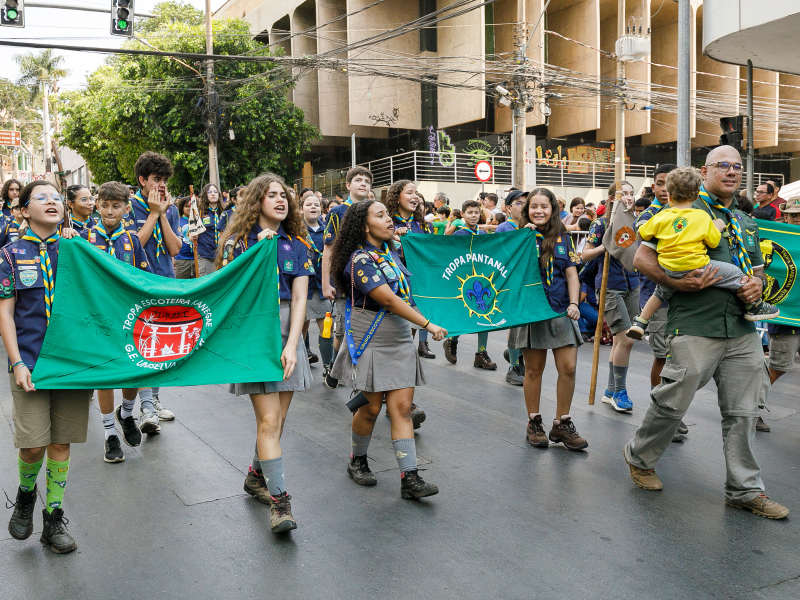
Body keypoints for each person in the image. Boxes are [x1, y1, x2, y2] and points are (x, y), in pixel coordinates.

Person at [624, 145, 789, 519]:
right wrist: (675, 282)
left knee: (744, 411)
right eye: (723, 166)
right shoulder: (681, 209)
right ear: (704, 172)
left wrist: (757, 286)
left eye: (737, 167)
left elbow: (758, 271)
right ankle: (640, 457)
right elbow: (641, 258)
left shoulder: (745, 221)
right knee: (672, 403)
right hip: (696, 323)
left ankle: (745, 489)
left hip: (742, 330)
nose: (732, 172)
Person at [329, 199, 445, 498]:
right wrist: (428, 324)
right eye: (380, 215)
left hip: (399, 337)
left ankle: (410, 478)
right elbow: (389, 300)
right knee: (370, 408)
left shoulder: (391, 253)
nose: (388, 219)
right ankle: (357, 460)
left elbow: (409, 293)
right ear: (365, 226)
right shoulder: (359, 260)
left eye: (387, 214)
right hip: (372, 338)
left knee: (403, 409)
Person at [217, 173, 312, 534]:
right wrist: (257, 252)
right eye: (271, 195)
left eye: (283, 194)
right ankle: (280, 503)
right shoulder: (237, 243)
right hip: (254, 331)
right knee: (269, 422)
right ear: (256, 201)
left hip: (287, 332)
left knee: (278, 421)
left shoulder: (298, 243)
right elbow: (228, 288)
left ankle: (256, 476)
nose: (280, 200)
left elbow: (300, 299)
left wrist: (293, 344)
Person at [2, 180, 89, 554]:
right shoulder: (9, 256)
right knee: (34, 445)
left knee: (60, 442)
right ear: (24, 211)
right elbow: (6, 313)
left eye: (56, 197)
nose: (52, 201)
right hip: (31, 364)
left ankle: (53, 517)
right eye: (41, 198)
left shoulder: (77, 250)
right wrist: (17, 362)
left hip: (71, 364)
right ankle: (26, 493)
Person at [628, 167, 778, 339]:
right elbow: (713, 241)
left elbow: (643, 233)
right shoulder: (702, 217)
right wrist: (717, 227)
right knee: (736, 273)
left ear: (669, 196)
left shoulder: (661, 216)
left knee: (660, 292)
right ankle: (754, 306)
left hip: (669, 267)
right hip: (697, 267)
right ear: (696, 195)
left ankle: (640, 322)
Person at [509, 188, 588, 450]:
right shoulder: (519, 237)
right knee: (533, 370)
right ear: (527, 210)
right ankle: (534, 422)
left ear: (553, 209)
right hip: (531, 312)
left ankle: (561, 424)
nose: (539, 211)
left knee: (569, 368)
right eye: (534, 206)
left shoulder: (564, 238)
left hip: (561, 309)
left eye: (544, 206)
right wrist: (524, 239)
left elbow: (572, 275)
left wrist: (574, 303)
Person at [82, 181, 152, 463]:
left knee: (133, 370)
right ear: (97, 206)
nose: (110, 211)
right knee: (106, 375)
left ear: (126, 208)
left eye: (116, 206)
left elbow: (143, 277)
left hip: (127, 316)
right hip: (98, 317)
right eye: (105, 205)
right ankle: (110, 433)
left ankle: (127, 412)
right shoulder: (84, 237)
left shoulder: (132, 240)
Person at [632, 163, 689, 440]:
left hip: (688, 298)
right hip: (657, 299)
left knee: (681, 359)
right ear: (653, 186)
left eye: (670, 183)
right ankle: (661, 412)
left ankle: (672, 411)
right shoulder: (649, 215)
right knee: (663, 357)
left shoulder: (691, 211)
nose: (665, 188)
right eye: (659, 183)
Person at [130, 152, 181, 432]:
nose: (161, 185)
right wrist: (152, 212)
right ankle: (145, 407)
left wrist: (162, 213)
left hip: (165, 281)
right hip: (139, 283)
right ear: (142, 180)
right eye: (156, 179)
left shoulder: (171, 209)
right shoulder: (129, 207)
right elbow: (134, 246)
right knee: (143, 343)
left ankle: (154, 399)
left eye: (164, 180)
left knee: (161, 345)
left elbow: (174, 249)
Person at [581, 181, 640, 412]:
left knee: (620, 340)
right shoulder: (601, 223)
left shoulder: (636, 220)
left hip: (632, 284)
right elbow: (584, 255)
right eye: (623, 194)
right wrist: (604, 247)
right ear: (611, 198)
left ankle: (610, 390)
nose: (628, 197)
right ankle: (620, 392)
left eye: (631, 193)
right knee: (626, 339)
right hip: (610, 287)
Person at [321, 166, 372, 382]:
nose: (363, 184)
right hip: (345, 279)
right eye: (358, 180)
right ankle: (334, 367)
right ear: (348, 185)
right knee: (343, 330)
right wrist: (326, 283)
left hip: (371, 279)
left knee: (366, 327)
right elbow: (329, 249)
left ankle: (359, 375)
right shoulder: (338, 212)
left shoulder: (374, 210)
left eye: (367, 181)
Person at [760, 197, 800, 432]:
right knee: (778, 367)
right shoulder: (775, 238)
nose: (797, 219)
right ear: (785, 216)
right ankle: (751, 409)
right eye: (793, 215)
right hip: (786, 319)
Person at [442, 199, 496, 369]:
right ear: (462, 214)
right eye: (470, 212)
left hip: (483, 281)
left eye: (476, 212)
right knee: (464, 316)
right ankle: (452, 340)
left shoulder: (484, 235)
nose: (473, 216)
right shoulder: (458, 236)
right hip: (464, 283)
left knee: (485, 314)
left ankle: (481, 353)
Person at [386, 179, 436, 362]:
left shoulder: (424, 226)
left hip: (416, 287)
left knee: (408, 336)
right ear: (397, 197)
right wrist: (394, 239)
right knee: (392, 337)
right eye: (409, 193)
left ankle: (402, 366)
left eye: (416, 193)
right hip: (391, 287)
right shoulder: (386, 222)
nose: (415, 197)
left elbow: (431, 255)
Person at [299, 192, 334, 369]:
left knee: (327, 328)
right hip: (302, 287)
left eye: (316, 204)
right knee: (300, 329)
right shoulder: (296, 231)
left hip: (322, 287)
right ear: (301, 209)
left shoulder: (328, 230)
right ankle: (299, 364)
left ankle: (328, 366)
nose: (313, 207)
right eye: (308, 204)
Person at [496, 190, 527, 385]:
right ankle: (513, 367)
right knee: (515, 324)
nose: (523, 206)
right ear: (508, 208)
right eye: (519, 203)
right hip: (510, 282)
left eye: (526, 203)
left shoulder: (531, 226)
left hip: (528, 282)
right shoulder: (503, 228)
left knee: (527, 324)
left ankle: (516, 353)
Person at [192, 183, 224, 276]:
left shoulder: (224, 212)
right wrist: (193, 236)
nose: (213, 194)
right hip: (206, 256)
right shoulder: (199, 213)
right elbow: (192, 233)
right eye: (209, 192)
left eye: (215, 192)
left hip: (222, 255)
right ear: (205, 195)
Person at [174, 195, 196, 279]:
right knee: (180, 284)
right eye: (187, 206)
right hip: (181, 259)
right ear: (182, 208)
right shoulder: (177, 221)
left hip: (197, 258)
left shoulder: (198, 222)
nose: (189, 208)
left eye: (191, 206)